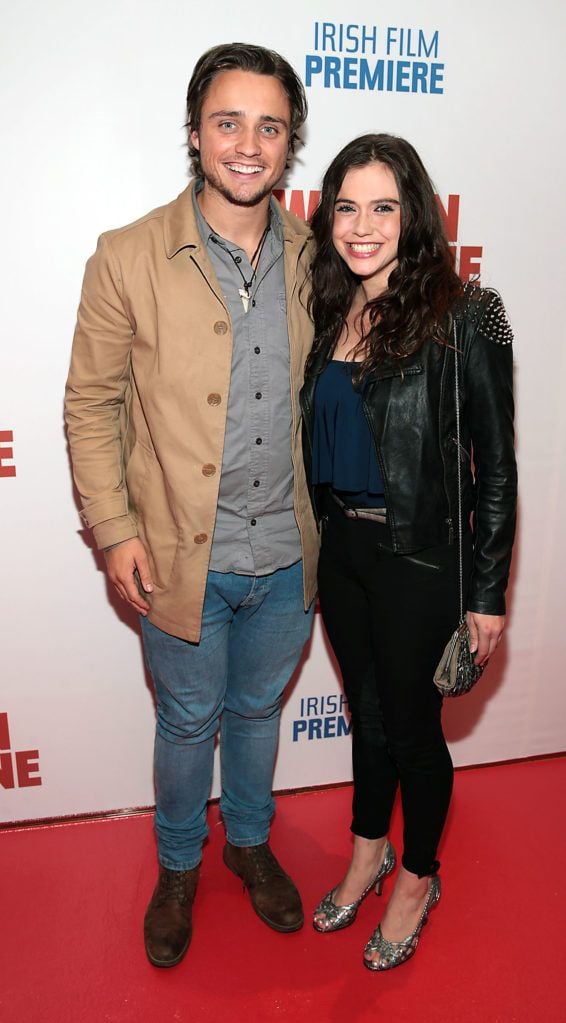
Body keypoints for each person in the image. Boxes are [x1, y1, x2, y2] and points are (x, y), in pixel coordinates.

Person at [65, 43, 318, 968]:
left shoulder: (320, 257)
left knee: (257, 713)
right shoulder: (127, 256)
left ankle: (247, 844)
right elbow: (89, 406)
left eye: (269, 126)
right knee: (186, 721)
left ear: (289, 144)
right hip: (178, 554)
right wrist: (114, 532)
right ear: (194, 132)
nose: (247, 144)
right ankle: (180, 866)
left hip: (291, 551)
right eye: (228, 122)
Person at [300, 134, 517, 970]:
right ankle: (368, 849)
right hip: (343, 557)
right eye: (347, 207)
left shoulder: (467, 312)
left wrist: (488, 594)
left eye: (383, 207)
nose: (362, 226)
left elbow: (496, 466)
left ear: (415, 214)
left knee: (415, 733)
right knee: (368, 718)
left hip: (421, 559)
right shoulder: (331, 305)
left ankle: (419, 875)